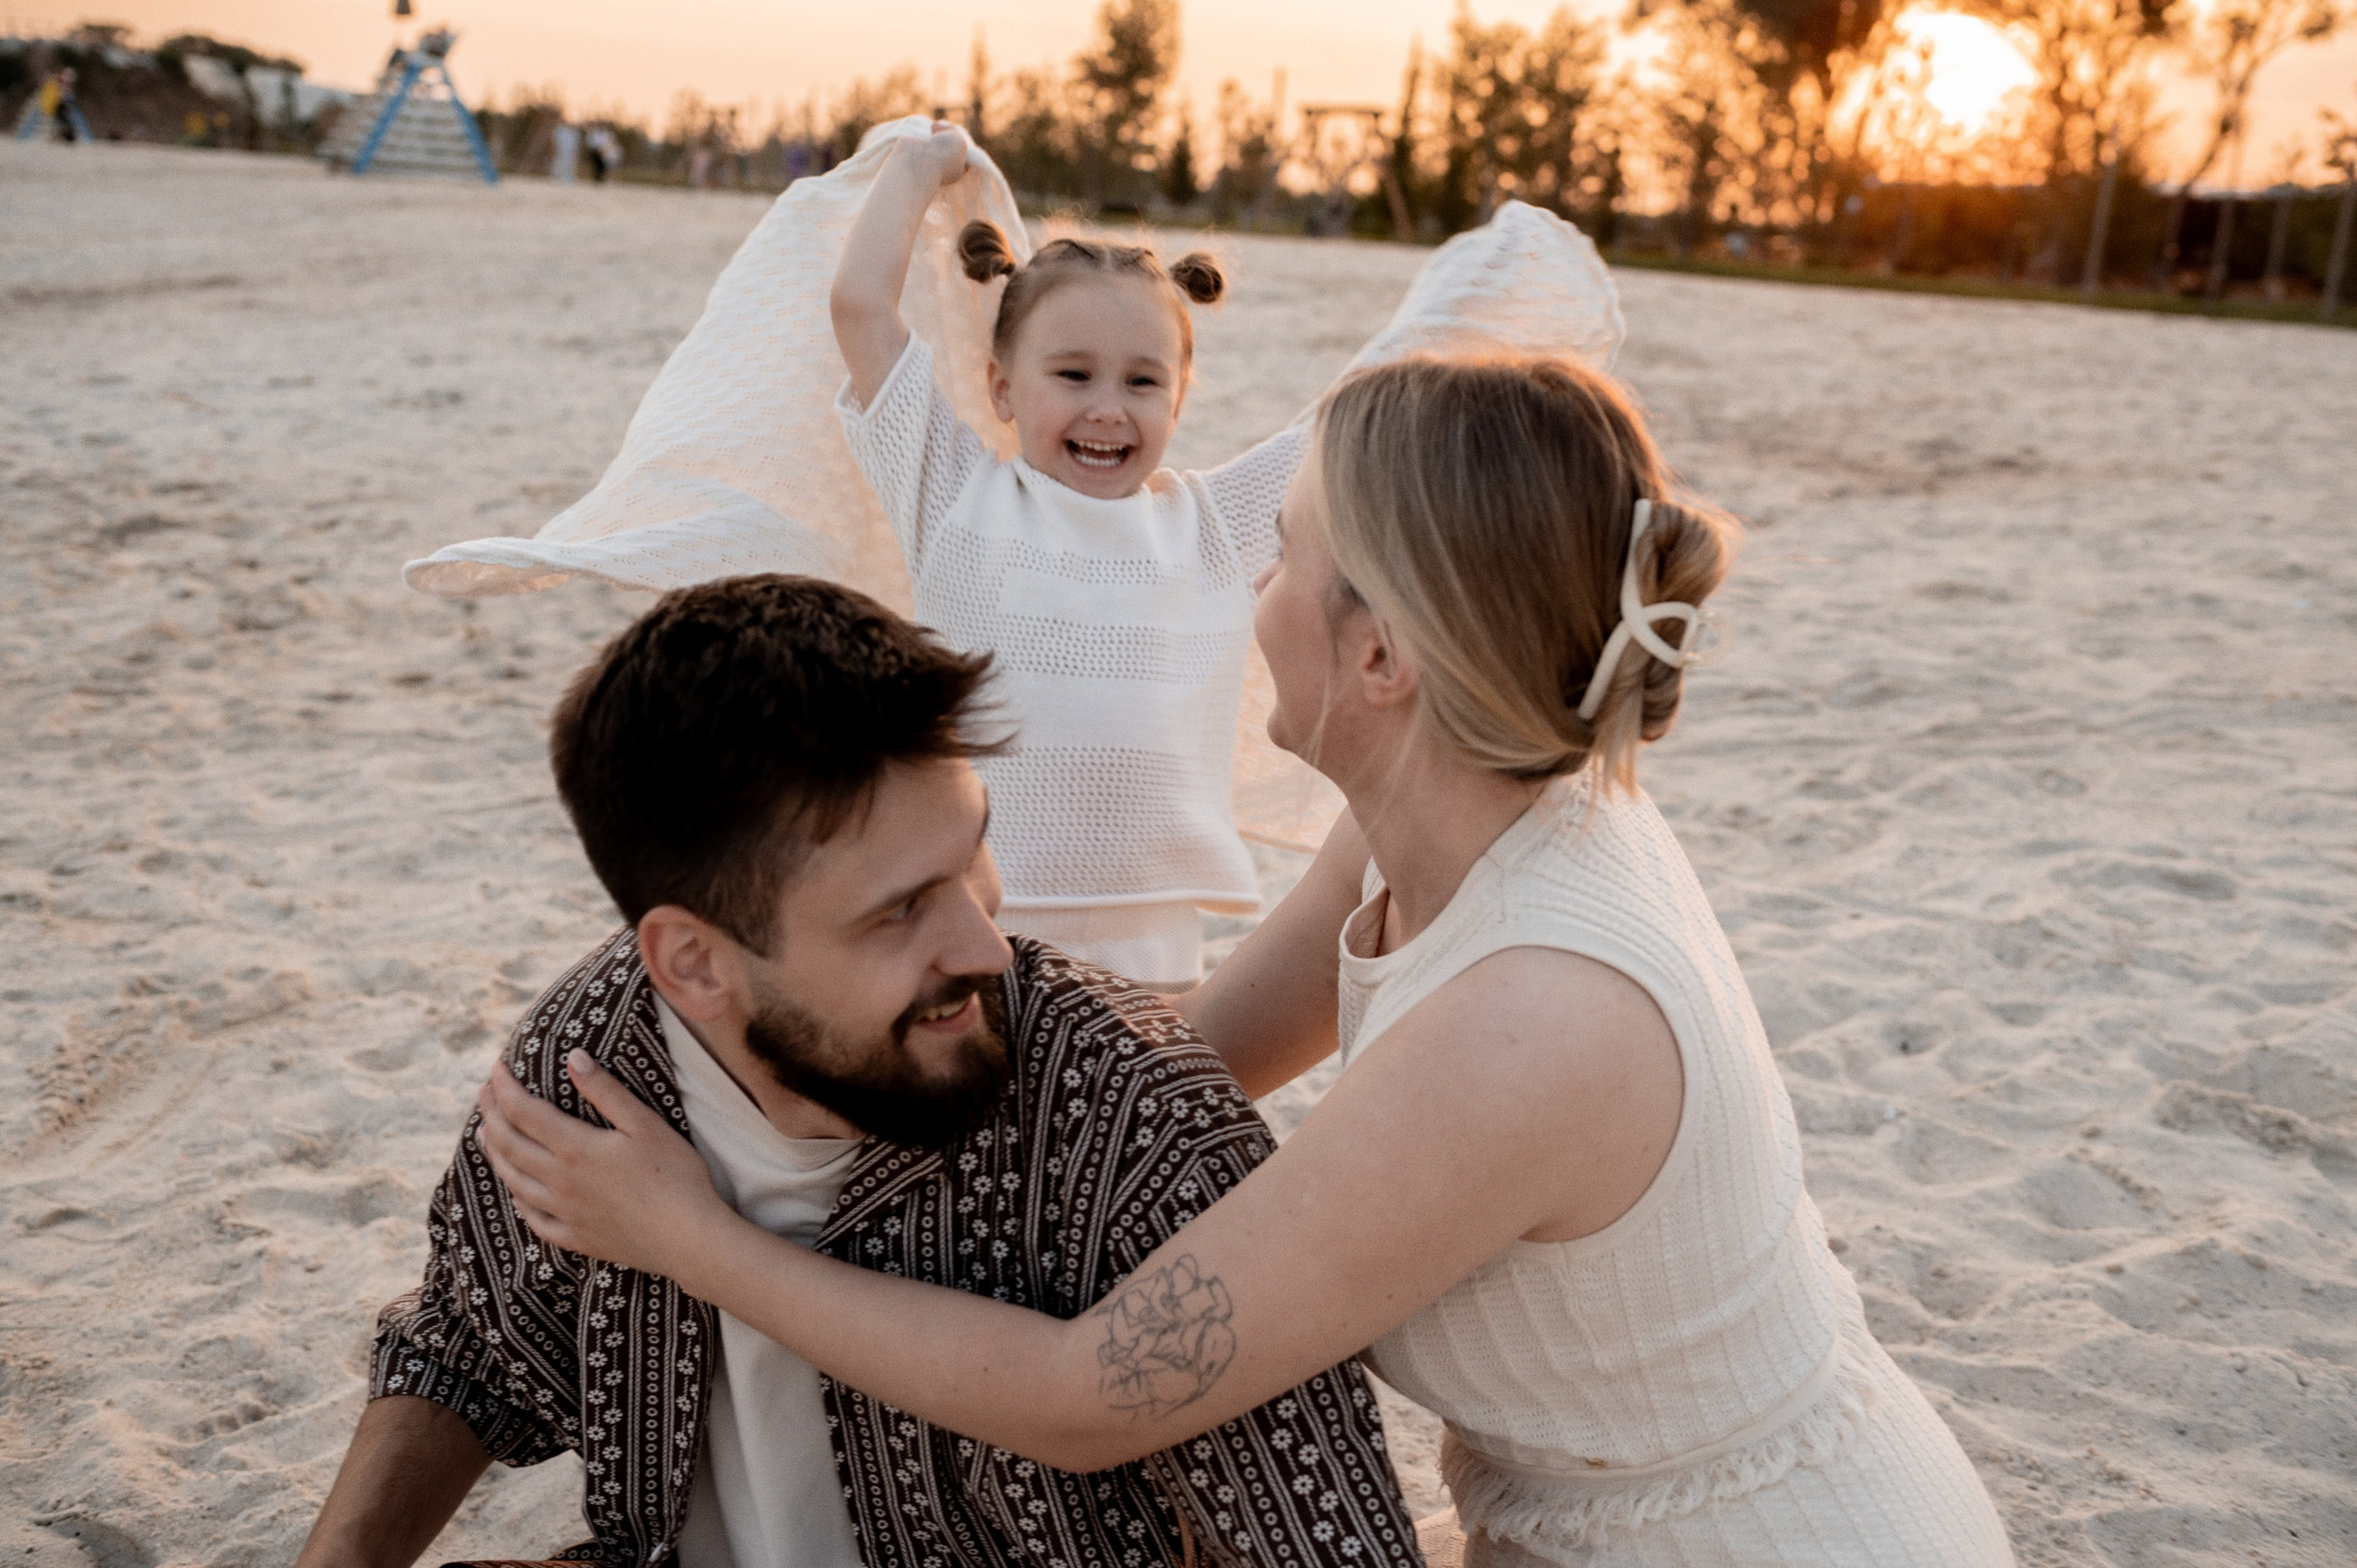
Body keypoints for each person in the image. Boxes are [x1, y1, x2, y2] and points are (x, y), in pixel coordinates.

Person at [479, 357, 2020, 1566]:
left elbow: (1094, 1394)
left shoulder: (1538, 1021)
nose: (1246, 596)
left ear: (1379, 659)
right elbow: (1183, 1067)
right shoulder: (1453, 820)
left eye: (1279, 559)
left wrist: (698, 1239)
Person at [294, 575, 1418, 1568]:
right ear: (692, 961)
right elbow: (466, 1347)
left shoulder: (1134, 1116)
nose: (985, 943)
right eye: (897, 912)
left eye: (970, 849)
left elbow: (1323, 1536)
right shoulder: (592, 1068)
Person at [829, 119, 1294, 987]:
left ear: (1180, 396)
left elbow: (1358, 427)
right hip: (971, 923)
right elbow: (859, 306)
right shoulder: (954, 494)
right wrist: (918, 169)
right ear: (1003, 388)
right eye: (1073, 376)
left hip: (1152, 946)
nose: (1109, 408)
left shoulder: (1211, 524)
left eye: (1143, 381)